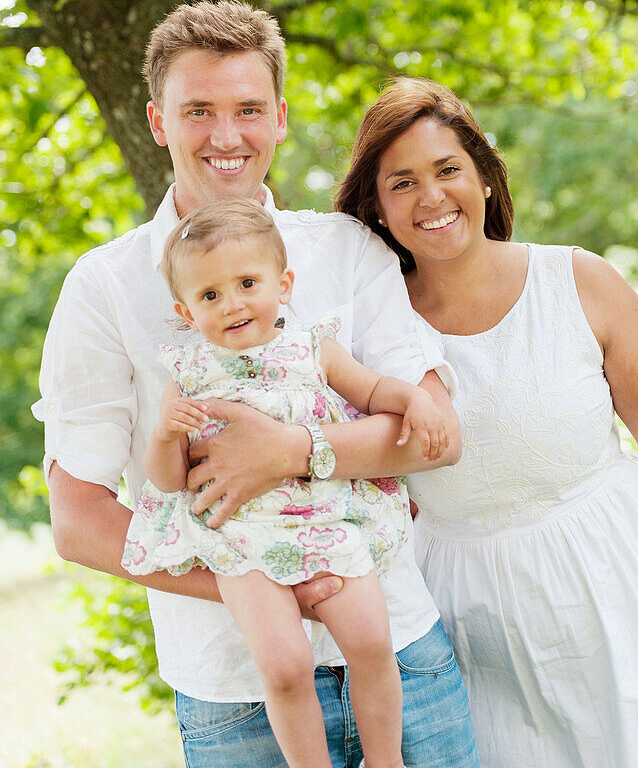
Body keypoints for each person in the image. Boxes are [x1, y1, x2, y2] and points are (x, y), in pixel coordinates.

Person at [34, 0, 478, 768]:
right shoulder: (105, 287)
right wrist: (264, 581)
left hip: (400, 654)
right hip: (235, 692)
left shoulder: (345, 250)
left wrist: (295, 451)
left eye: (247, 110)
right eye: (198, 110)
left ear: (278, 117)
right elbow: (79, 522)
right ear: (157, 121)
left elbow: (432, 436)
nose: (226, 135)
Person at [335, 77, 638, 768]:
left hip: (629, 593)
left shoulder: (581, 284)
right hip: (474, 623)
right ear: (375, 207)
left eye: (448, 169)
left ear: (485, 178)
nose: (431, 197)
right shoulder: (368, 335)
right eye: (402, 182)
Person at [123, 197, 449, 768]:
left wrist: (415, 399)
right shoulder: (189, 376)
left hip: (327, 519)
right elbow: (170, 481)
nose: (233, 304)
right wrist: (162, 438)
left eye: (248, 282)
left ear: (285, 283)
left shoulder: (312, 347)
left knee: (372, 645)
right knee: (284, 665)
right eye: (210, 295)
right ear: (185, 311)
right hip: (241, 537)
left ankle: (385, 759)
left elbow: (374, 392)